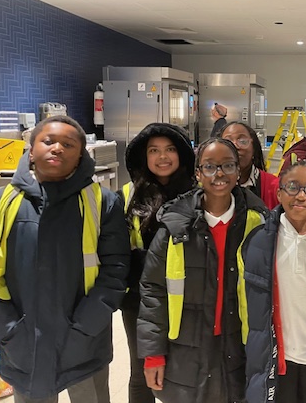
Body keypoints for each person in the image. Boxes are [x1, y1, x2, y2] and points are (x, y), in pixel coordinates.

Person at [0, 115, 130, 403]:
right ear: (31, 150)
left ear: (80, 156)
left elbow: (116, 269)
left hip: (85, 341)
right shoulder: (3, 202)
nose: (57, 148)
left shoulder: (102, 202)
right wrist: (6, 327)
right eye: (48, 141)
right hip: (23, 342)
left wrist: (87, 324)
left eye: (68, 144)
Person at [137, 137, 268, 403]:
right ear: (198, 174)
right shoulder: (175, 225)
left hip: (238, 344)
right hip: (184, 347)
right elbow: (153, 290)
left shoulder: (258, 222)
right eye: (209, 166)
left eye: (227, 165)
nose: (219, 174)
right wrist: (153, 354)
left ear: (238, 171)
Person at [239, 160, 306, 403]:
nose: (301, 196)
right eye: (293, 187)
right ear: (279, 193)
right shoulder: (259, 241)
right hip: (277, 360)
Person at [120, 123, 196, 403]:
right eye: (154, 150)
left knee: (186, 369)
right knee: (142, 372)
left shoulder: (198, 194)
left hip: (189, 297)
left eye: (170, 149)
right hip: (140, 302)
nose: (162, 157)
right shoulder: (127, 195)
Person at [219, 121, 280, 210]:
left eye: (243, 141)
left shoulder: (275, 187)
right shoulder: (210, 187)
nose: (235, 146)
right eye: (228, 142)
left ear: (254, 149)